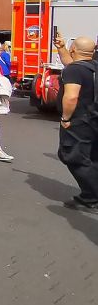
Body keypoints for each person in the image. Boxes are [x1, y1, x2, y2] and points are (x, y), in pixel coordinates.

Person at [56, 37, 98, 211]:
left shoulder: (74, 71)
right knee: (92, 156)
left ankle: (91, 198)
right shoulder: (92, 66)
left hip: (78, 121)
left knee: (73, 156)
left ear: (74, 48)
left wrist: (66, 118)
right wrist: (61, 48)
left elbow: (72, 96)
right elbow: (72, 64)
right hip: (93, 119)